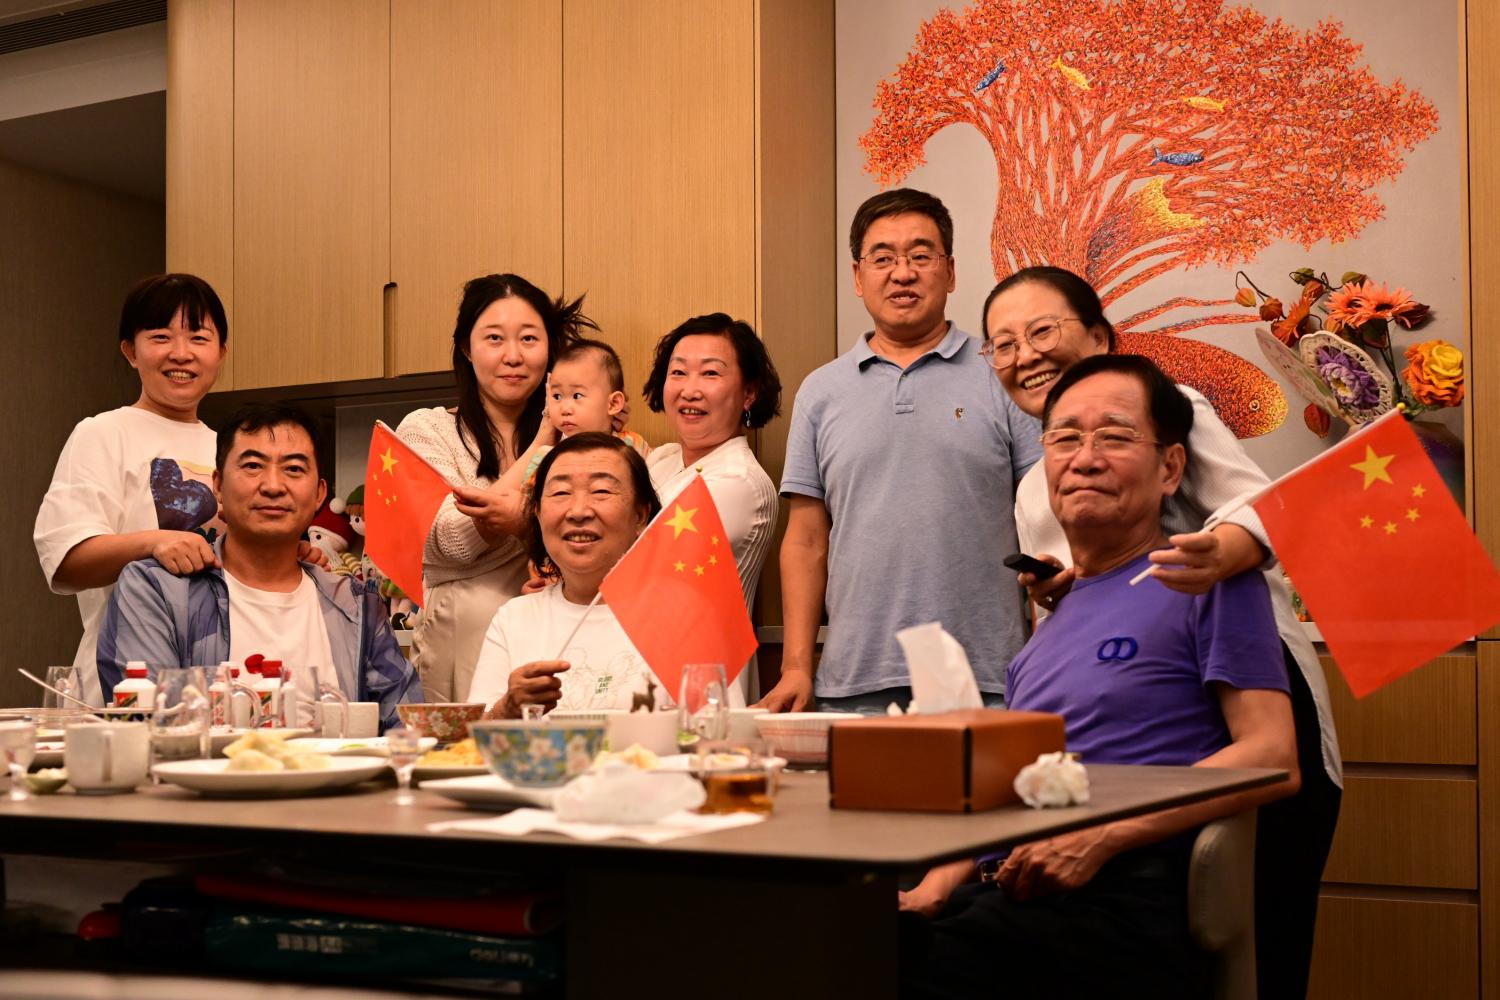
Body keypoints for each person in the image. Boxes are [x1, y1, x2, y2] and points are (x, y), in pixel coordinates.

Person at [983, 265, 1341, 999]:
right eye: (1004, 345)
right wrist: (1064, 592)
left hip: (1244, 689)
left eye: (1043, 330)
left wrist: (1222, 556)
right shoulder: (1032, 484)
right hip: (1136, 731)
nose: (1026, 355)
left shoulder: (1173, 407)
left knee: (1257, 941)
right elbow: (1083, 595)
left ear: (1100, 337)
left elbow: (1261, 509)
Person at [899, 354, 1300, 999]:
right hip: (1009, 897)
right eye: (1064, 438)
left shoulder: (1207, 578)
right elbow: (1010, 790)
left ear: (1170, 468)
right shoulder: (1049, 623)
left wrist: (1101, 835)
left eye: (1114, 437)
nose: (1084, 459)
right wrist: (934, 889)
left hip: (1120, 902)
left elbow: (1273, 756)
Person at [759, 189, 1041, 713]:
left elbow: (1043, 524)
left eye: (920, 255)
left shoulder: (1002, 376)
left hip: (989, 679)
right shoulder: (821, 391)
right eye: (883, 258)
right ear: (858, 276)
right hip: (852, 681)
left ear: (950, 272)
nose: (903, 273)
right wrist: (796, 665)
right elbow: (806, 540)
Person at [97, 403, 421, 731]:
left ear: (319, 494)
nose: (273, 485)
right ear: (218, 485)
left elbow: (406, 726)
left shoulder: (356, 604)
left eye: (294, 468)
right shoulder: (157, 591)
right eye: (253, 466)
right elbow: (148, 729)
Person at [396, 274, 596, 703]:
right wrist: (545, 438)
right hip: (464, 639)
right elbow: (445, 540)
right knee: (469, 744)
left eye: (529, 338)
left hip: (561, 634)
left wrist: (524, 523)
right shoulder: (426, 430)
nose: (513, 356)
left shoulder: (581, 433)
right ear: (466, 348)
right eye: (494, 338)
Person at [35, 274, 230, 707]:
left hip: (219, 689)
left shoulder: (231, 449)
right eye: (161, 337)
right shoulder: (104, 433)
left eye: (199, 337)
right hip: (120, 685)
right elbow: (65, 564)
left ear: (221, 352)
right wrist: (154, 543)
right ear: (131, 351)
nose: (181, 352)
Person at [468, 433, 665, 717]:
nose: (578, 511)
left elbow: (717, 729)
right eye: (560, 493)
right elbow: (476, 739)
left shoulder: (683, 615)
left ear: (641, 515)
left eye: (601, 491)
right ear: (537, 513)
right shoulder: (515, 619)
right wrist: (507, 710)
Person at [642, 313, 782, 700]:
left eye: (710, 374)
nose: (690, 390)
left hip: (697, 682)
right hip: (634, 669)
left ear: (749, 393)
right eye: (678, 372)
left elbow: (634, 562)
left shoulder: (740, 482)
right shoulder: (661, 460)